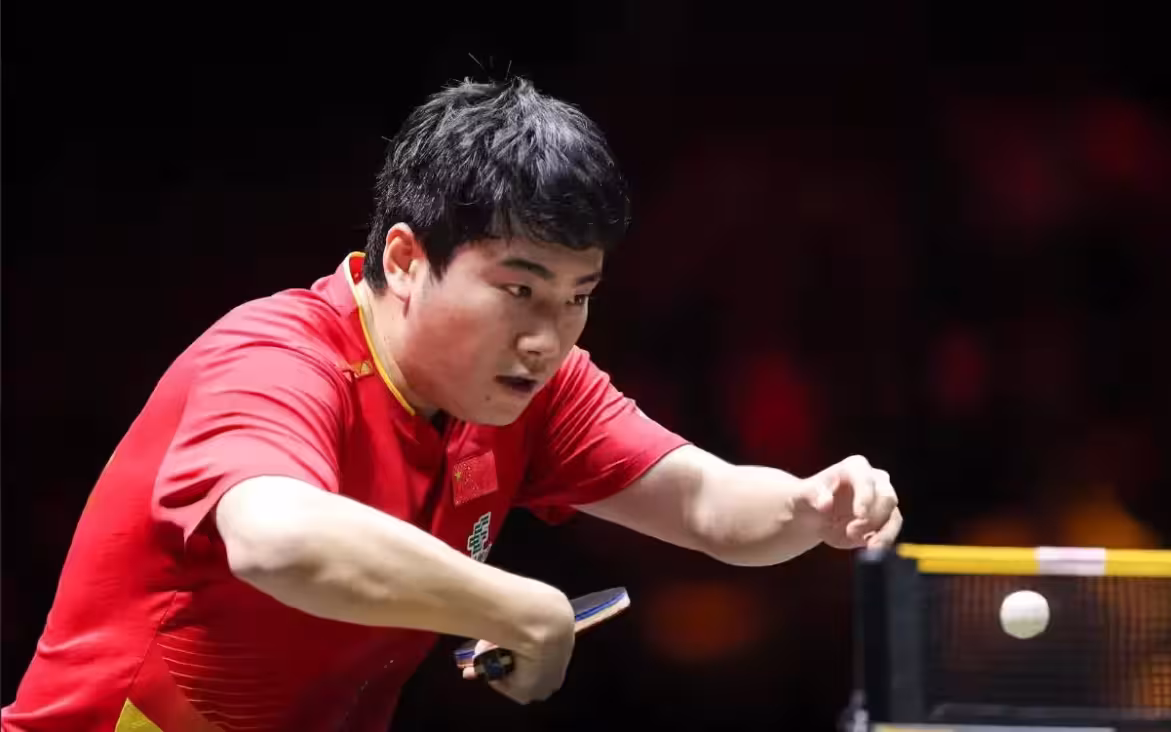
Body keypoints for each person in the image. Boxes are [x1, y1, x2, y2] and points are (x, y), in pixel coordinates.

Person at [2, 77, 902, 731]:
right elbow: (278, 540)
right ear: (404, 260)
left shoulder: (533, 388)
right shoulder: (276, 358)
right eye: (519, 290)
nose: (548, 336)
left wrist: (808, 506)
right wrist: (515, 606)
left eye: (578, 296)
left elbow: (706, 504)